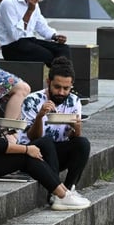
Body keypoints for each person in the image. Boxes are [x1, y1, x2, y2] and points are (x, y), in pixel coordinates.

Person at [0, 69, 91, 211]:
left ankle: (63, 192)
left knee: (45, 143)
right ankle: (62, 195)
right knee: (27, 158)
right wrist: (26, 149)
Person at [17, 57, 91, 199]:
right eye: (57, 87)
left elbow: (73, 137)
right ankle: (58, 192)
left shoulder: (74, 101)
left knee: (83, 143)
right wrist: (40, 116)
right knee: (46, 142)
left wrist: (76, 127)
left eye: (66, 88)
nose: (61, 92)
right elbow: (33, 138)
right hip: (33, 154)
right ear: (48, 82)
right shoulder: (32, 100)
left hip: (56, 154)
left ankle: (68, 190)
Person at [0, 0, 70, 65]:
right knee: (47, 55)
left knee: (63, 49)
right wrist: (29, 10)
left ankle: (66, 78)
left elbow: (40, 24)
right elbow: (15, 35)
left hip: (29, 41)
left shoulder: (32, 0)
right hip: (12, 46)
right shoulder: (9, 3)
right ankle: (56, 78)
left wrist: (54, 36)